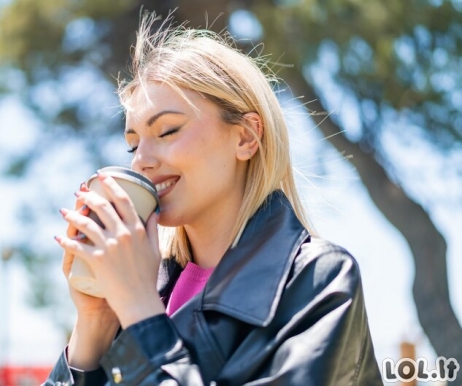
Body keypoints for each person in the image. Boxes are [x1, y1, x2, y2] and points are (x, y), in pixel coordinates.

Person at [45, 12, 383, 386]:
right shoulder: (138, 296)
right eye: (133, 145)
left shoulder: (317, 281)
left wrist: (141, 314)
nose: (141, 160)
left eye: (168, 130)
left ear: (245, 137)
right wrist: (94, 324)